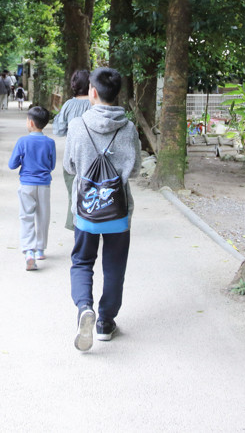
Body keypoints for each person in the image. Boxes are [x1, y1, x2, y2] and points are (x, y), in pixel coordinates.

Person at [64, 67, 141, 351]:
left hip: (85, 211)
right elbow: (133, 169)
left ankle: (85, 308)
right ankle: (106, 322)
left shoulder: (77, 125)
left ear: (92, 93)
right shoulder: (129, 127)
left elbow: (70, 167)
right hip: (117, 211)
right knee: (115, 267)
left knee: (82, 262)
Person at [8, 106, 56, 271]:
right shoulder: (50, 142)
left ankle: (29, 251)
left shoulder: (23, 141)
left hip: (27, 184)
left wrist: (23, 160)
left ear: (30, 122)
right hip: (44, 184)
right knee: (43, 216)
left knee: (26, 216)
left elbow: (12, 164)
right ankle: (41, 249)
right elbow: (52, 165)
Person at [52, 69, 91, 230]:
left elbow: (59, 131)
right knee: (92, 190)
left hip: (72, 157)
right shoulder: (94, 104)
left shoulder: (68, 104)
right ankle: (93, 223)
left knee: (72, 192)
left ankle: (74, 224)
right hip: (92, 155)